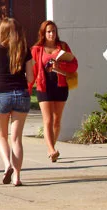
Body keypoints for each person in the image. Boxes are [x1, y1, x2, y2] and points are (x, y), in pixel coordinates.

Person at [0, 18, 34, 186]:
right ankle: (17, 177)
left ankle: (7, 165)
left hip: (1, 94)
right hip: (21, 94)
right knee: (17, 138)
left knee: (1, 135)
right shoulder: (25, 50)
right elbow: (31, 77)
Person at [30, 20, 78, 163]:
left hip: (60, 85)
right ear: (43, 33)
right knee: (48, 120)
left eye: (54, 31)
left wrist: (60, 64)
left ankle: (52, 148)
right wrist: (27, 88)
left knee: (57, 120)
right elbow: (32, 70)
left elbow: (74, 65)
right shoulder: (37, 49)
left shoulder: (63, 47)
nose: (51, 34)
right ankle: (51, 150)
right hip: (44, 86)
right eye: (48, 31)